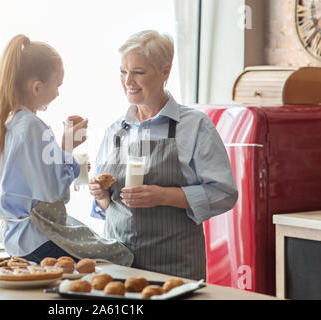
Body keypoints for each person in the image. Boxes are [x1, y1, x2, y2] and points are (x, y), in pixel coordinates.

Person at [89, 30, 238, 280]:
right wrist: (101, 195)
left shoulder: (194, 125)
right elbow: (110, 207)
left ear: (165, 72)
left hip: (174, 269)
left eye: (138, 72)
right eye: (123, 72)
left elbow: (224, 193)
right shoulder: (116, 130)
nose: (128, 81)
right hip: (118, 267)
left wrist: (163, 195)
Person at [0, 34, 133, 266]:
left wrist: (62, 150)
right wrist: (67, 149)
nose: (59, 93)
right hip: (37, 238)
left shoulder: (4, 124)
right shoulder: (32, 126)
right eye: (57, 85)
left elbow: (32, 184)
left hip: (14, 238)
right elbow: (54, 193)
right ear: (37, 87)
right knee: (122, 256)